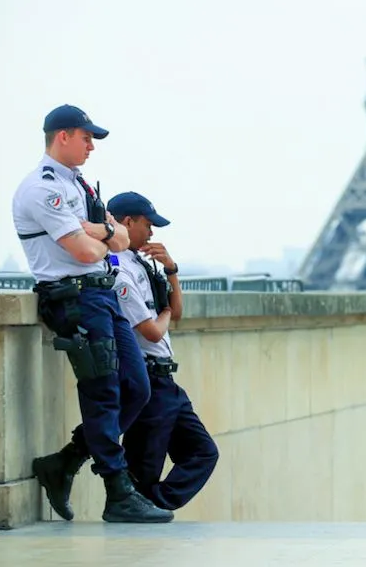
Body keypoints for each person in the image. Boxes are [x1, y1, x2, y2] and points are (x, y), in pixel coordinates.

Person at [13, 104, 173, 523]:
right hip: (75, 297)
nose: (91, 147)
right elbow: (87, 251)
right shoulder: (41, 188)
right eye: (86, 138)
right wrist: (104, 234)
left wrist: (98, 231)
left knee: (136, 387)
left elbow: (120, 240)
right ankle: (118, 493)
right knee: (103, 392)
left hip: (102, 295)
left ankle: (65, 461)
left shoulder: (79, 185)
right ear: (62, 136)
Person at [108, 191, 220, 511]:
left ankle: (154, 504)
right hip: (147, 379)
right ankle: (138, 512)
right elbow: (154, 329)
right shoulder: (117, 269)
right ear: (127, 222)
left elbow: (176, 311)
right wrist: (166, 312)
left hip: (166, 381)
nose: (151, 233)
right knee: (143, 467)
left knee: (203, 452)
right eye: (148, 224)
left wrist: (171, 270)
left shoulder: (140, 264)